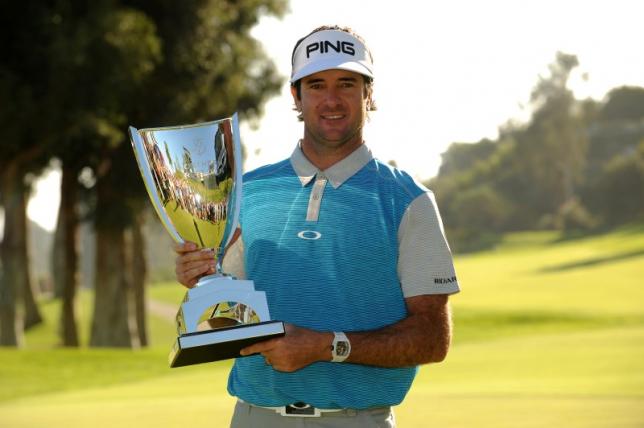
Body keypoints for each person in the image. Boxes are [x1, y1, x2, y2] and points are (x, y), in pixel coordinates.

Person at [174, 25, 460, 428]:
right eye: (316, 85)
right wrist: (203, 283)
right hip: (256, 418)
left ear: (368, 93)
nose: (331, 100)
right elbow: (228, 319)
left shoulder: (408, 200)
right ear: (296, 96)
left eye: (347, 83)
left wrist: (328, 346)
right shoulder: (245, 194)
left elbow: (433, 338)